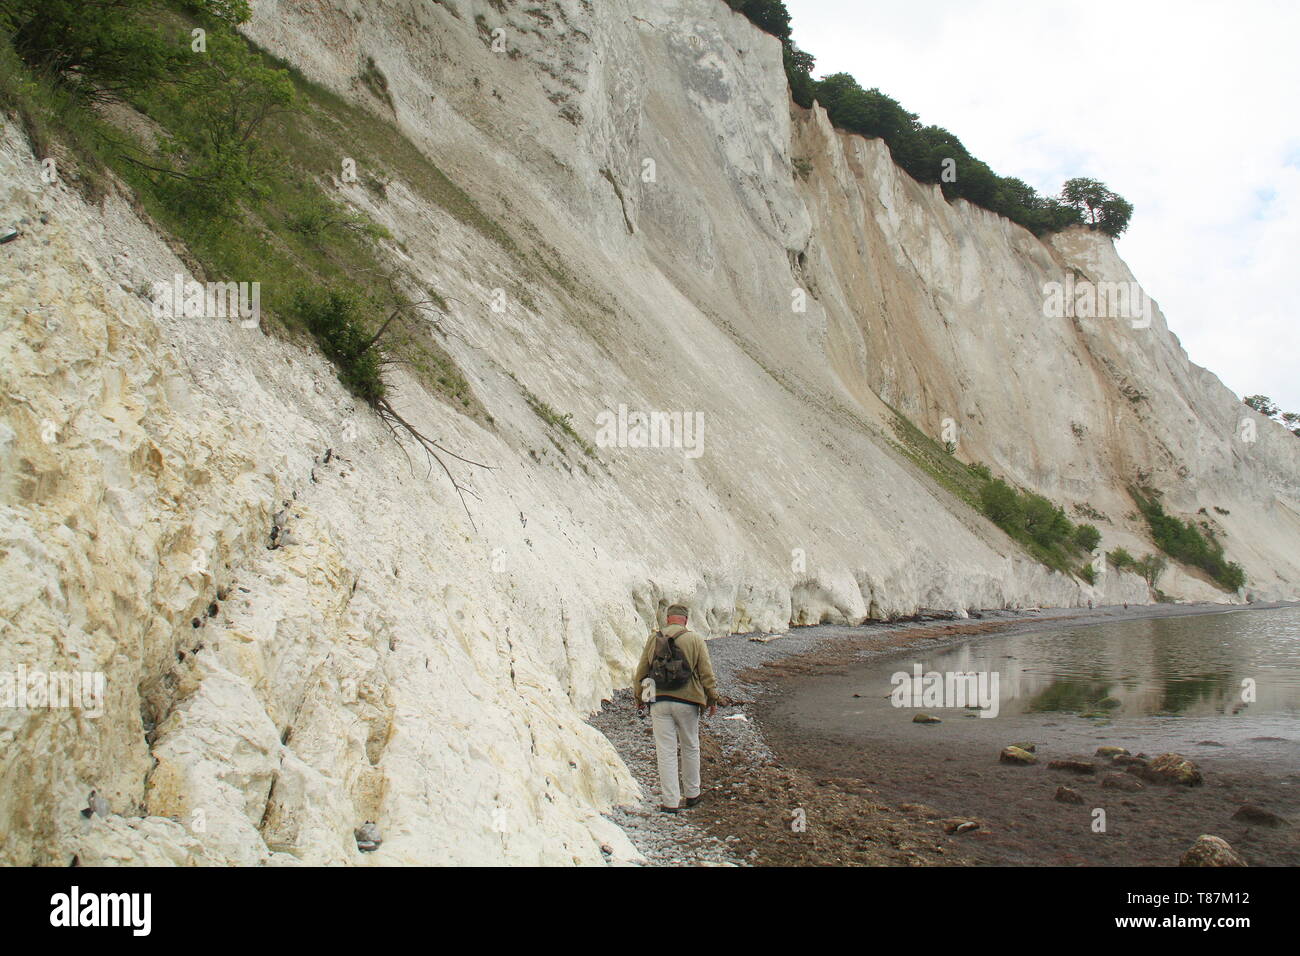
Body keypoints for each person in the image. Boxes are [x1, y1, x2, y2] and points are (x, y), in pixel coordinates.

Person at [632, 604, 720, 813]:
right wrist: (712, 698)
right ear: (686, 620)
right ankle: (692, 794)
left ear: (668, 619)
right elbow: (706, 672)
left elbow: (642, 670)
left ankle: (670, 802)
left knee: (666, 751)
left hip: (660, 700)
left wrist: (639, 696)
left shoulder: (654, 638)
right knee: (690, 746)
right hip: (688, 701)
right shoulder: (695, 639)